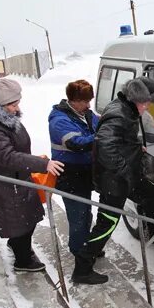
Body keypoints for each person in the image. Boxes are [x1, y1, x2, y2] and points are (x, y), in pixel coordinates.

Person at [73, 77, 154, 285]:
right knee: (107, 223)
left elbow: (121, 139)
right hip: (115, 180)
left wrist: (136, 148)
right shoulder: (118, 115)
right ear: (134, 98)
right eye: (145, 102)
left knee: (152, 194)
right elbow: (105, 146)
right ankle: (82, 268)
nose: (147, 107)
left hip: (128, 174)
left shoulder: (126, 108)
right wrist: (123, 169)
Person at [0, 78, 64, 272]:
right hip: (4, 183)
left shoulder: (0, 118)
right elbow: (7, 156)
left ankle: (18, 246)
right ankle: (23, 260)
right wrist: (42, 164)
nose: (16, 108)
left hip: (16, 178)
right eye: (12, 105)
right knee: (21, 222)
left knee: (26, 219)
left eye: (17, 103)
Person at [48, 79, 100, 271]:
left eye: (89, 101)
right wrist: (101, 138)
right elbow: (77, 143)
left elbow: (100, 124)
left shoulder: (85, 114)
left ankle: (87, 245)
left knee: (86, 212)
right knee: (78, 215)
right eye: (85, 101)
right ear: (73, 100)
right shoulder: (59, 120)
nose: (88, 105)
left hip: (85, 173)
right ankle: (80, 253)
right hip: (69, 174)